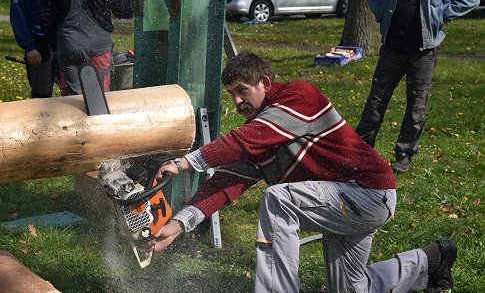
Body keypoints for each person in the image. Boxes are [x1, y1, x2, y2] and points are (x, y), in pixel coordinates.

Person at [145, 52, 457, 293]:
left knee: (279, 200)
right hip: (340, 205)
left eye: (242, 91)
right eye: (231, 94)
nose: (237, 101)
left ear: (265, 84)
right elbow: (227, 181)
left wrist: (185, 162)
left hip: (368, 193)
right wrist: (179, 224)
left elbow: (247, 139)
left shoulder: (299, 96)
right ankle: (433, 259)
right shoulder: (261, 132)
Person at [355, 0, 480, 173]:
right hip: (392, 47)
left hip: (423, 51)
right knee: (375, 100)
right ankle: (361, 150)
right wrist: (380, 11)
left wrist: (441, 15)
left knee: (417, 105)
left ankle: (404, 155)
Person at [40, 0, 135, 96]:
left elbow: (45, 18)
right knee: (100, 98)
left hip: (68, 47)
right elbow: (126, 10)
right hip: (99, 50)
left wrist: (56, 45)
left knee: (71, 100)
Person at [10, 0, 60, 98]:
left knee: (73, 95)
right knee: (42, 97)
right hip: (39, 45)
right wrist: (29, 47)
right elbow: (18, 15)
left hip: (66, 42)